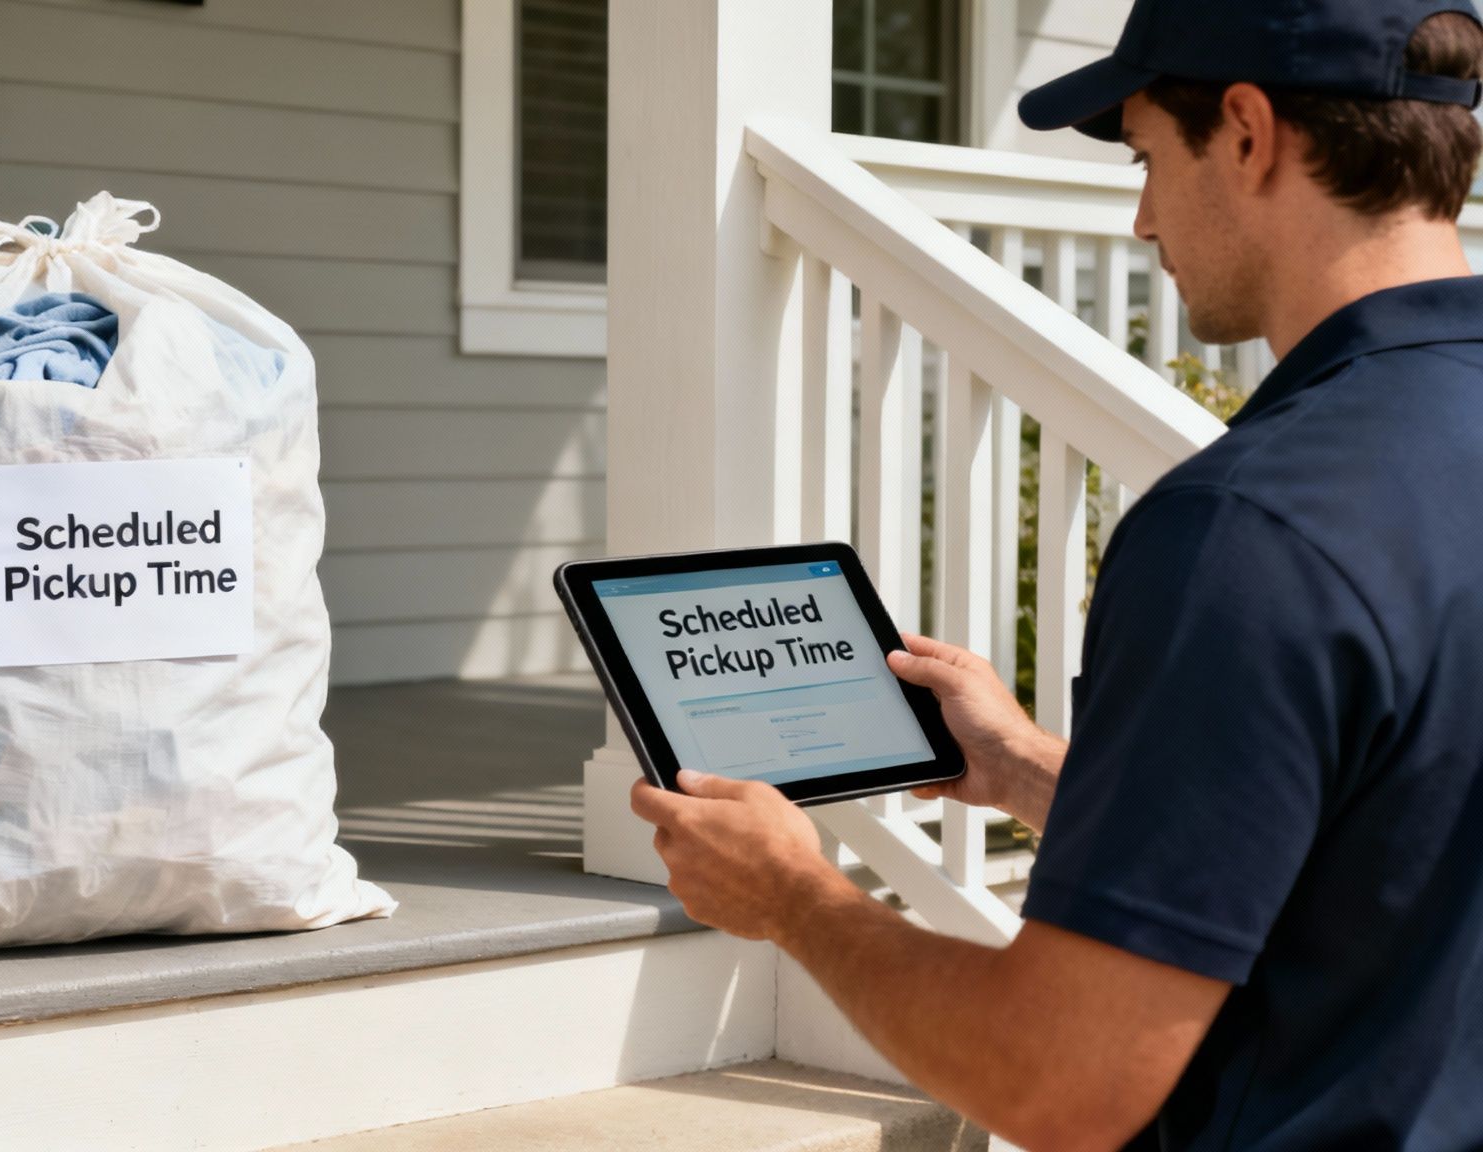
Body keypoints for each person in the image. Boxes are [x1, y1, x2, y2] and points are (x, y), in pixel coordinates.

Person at [628, 1, 1483, 1148]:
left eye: (1143, 159)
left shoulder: (1249, 528)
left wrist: (793, 897)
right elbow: (1391, 840)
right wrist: (1034, 771)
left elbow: (1059, 1081)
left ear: (1244, 130)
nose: (1137, 220)